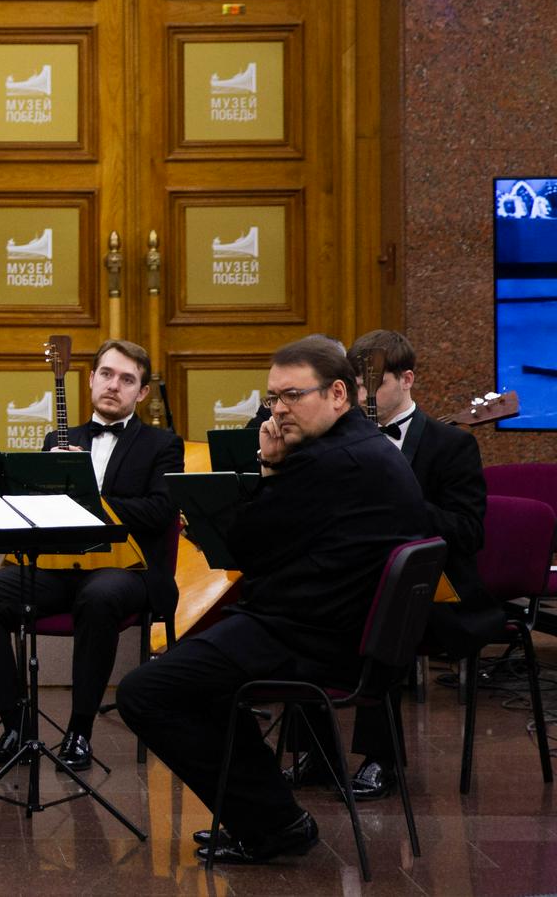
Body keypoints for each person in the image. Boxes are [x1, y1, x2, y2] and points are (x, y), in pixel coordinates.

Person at [117, 335, 427, 866]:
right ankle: (267, 818)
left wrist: (267, 465)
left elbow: (244, 549)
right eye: (272, 398)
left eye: (291, 396)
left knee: (145, 691)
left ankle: (273, 822)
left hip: (311, 638)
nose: (278, 410)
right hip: (336, 631)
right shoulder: (367, 447)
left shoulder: (327, 462)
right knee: (199, 681)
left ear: (337, 394)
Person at [0, 339, 184, 770]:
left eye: (128, 379)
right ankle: (17, 724)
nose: (115, 385)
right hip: (60, 568)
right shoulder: (58, 438)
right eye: (107, 374)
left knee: (98, 598)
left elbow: (159, 512)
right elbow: (41, 514)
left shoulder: (162, 444)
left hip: (128, 570)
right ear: (92, 379)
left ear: (143, 393)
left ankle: (80, 730)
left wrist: (90, 494)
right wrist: (44, 483)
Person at [301, 329, 494, 800]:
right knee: (297, 611)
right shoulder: (335, 444)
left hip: (440, 597)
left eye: (373, 384)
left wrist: (398, 497)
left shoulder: (450, 446)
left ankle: (380, 759)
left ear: (407, 379)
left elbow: (468, 532)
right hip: (358, 583)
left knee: (383, 611)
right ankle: (318, 756)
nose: (360, 395)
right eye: (354, 384)